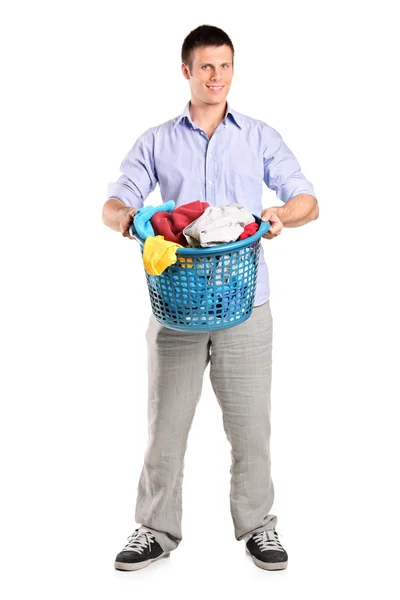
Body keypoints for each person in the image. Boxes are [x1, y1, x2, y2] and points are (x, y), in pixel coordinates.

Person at [102, 24, 318, 572]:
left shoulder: (260, 135)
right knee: (165, 426)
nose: (217, 77)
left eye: (224, 66)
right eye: (206, 67)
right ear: (187, 71)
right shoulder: (156, 140)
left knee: (251, 426)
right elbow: (114, 203)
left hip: (245, 303)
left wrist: (279, 214)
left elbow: (307, 200)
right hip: (178, 305)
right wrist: (132, 222)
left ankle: (259, 528)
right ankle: (155, 529)